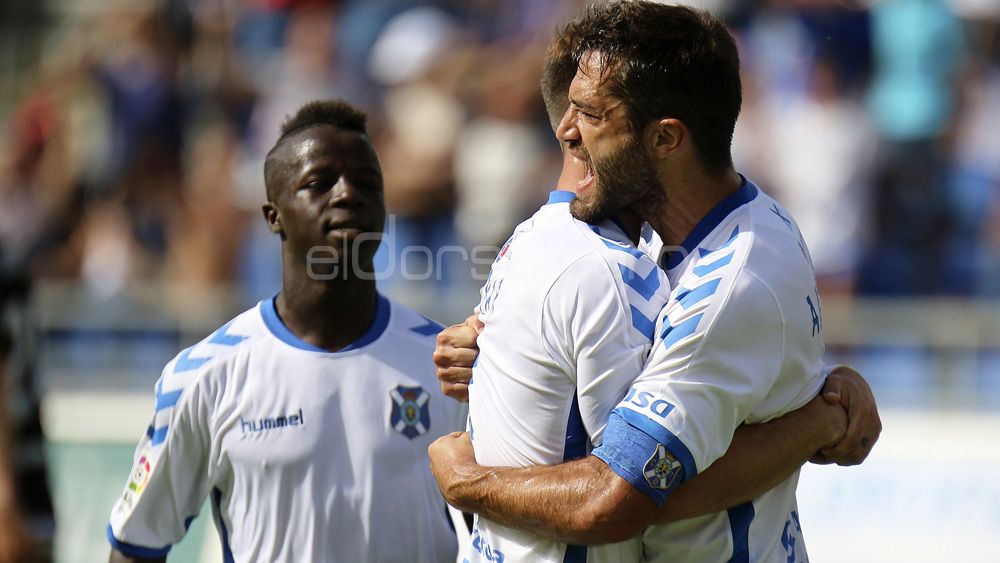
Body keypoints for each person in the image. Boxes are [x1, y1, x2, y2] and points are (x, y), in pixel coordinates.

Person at [429, 3, 881, 562]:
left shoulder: (729, 284)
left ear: (666, 139)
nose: (567, 134)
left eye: (591, 115)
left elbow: (616, 500)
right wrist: (506, 353)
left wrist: (465, 481)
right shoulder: (686, 231)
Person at [107, 100, 466, 562]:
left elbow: (501, 535)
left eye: (366, 183)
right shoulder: (204, 377)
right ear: (273, 215)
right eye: (319, 183)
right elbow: (136, 548)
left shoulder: (447, 365)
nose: (346, 195)